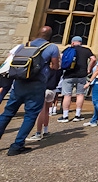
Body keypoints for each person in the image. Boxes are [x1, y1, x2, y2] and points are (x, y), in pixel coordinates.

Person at [0, 26, 60, 156]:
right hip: (36, 85)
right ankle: (16, 146)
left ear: (37, 33)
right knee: (30, 115)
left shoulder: (24, 45)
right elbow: (55, 66)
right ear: (50, 36)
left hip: (19, 83)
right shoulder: (52, 48)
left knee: (7, 113)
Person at [57, 36, 96, 122]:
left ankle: (65, 116)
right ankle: (77, 115)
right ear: (81, 42)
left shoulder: (68, 49)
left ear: (72, 42)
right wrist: (89, 69)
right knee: (80, 94)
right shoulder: (86, 50)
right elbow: (93, 59)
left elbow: (60, 58)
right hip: (81, 75)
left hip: (68, 74)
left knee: (67, 95)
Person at [26, 63, 61, 141]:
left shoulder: (45, 69)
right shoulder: (58, 69)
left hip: (44, 90)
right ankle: (45, 130)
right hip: (53, 90)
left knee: (41, 111)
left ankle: (38, 133)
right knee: (47, 111)